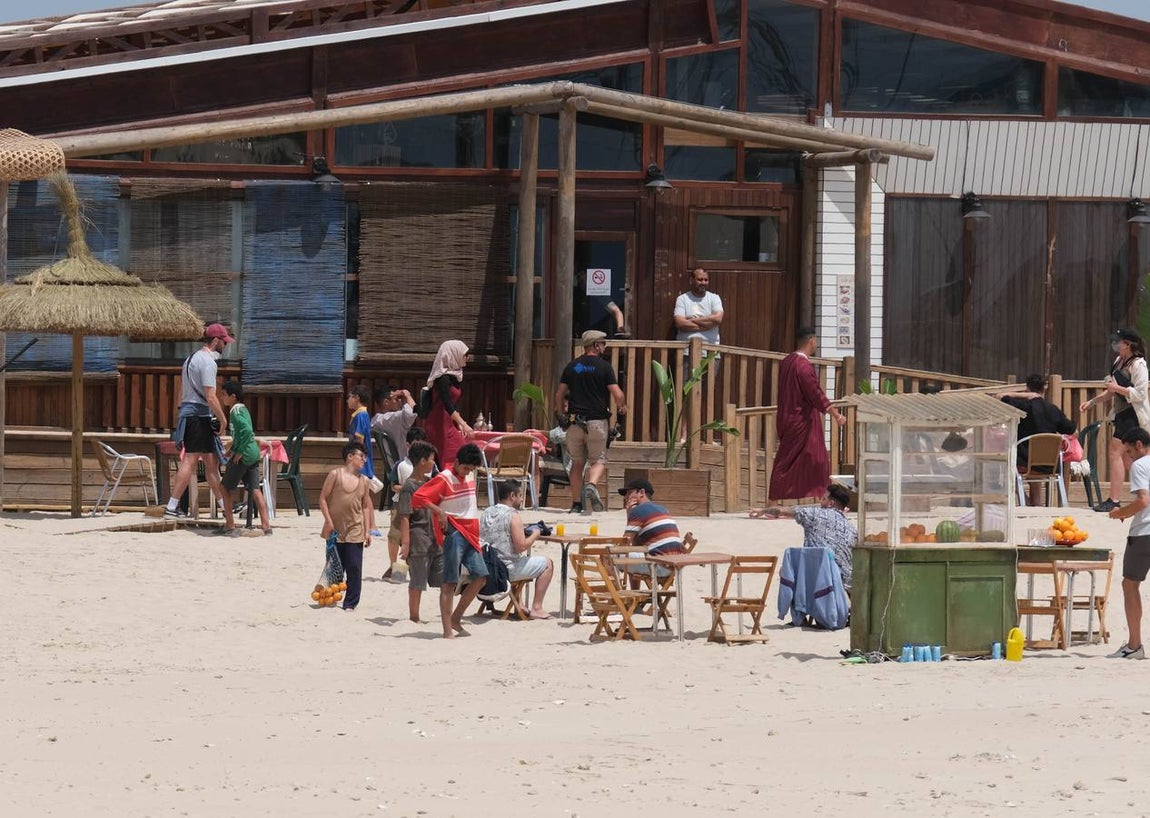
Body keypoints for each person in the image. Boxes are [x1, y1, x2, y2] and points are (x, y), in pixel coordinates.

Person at [412, 442, 487, 638]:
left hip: (471, 534)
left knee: (480, 576)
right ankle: (447, 631)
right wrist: (439, 512)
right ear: (456, 462)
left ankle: (456, 618)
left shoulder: (470, 473)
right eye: (464, 468)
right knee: (449, 582)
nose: (467, 472)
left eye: (470, 469)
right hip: (454, 533)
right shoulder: (444, 478)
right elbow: (419, 497)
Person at [768, 327, 847, 501]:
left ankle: (787, 498)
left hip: (787, 417)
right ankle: (813, 497)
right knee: (816, 460)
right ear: (811, 340)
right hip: (801, 419)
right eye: (816, 341)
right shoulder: (802, 365)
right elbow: (815, 393)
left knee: (790, 459)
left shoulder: (787, 361)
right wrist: (836, 415)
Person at [164, 323, 233, 519]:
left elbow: (181, 391)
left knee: (211, 464)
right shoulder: (208, 362)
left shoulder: (190, 359)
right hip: (198, 416)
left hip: (189, 414)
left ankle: (224, 505)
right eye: (224, 342)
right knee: (191, 460)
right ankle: (172, 506)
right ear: (217, 341)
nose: (225, 346)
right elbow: (211, 396)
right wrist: (223, 420)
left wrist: (180, 415)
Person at [554, 330, 627, 514]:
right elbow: (617, 394)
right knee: (599, 460)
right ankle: (592, 485)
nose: (604, 346)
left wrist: (561, 413)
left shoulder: (574, 366)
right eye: (602, 343)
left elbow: (559, 394)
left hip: (574, 422)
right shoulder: (604, 367)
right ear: (595, 345)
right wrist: (622, 407)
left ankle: (576, 504)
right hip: (596, 421)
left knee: (577, 463)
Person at [1081, 329, 1150, 512]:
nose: (1116, 344)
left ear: (1127, 344)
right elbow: (1112, 390)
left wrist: (1117, 388)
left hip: (1132, 414)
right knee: (1130, 459)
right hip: (1120, 413)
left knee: (1115, 452)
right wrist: (1093, 401)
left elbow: (1140, 394)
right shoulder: (1118, 362)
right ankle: (1143, 495)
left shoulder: (1138, 364)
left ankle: (1114, 499)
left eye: (1119, 341)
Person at [750, 484, 857, 589]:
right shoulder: (851, 529)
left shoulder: (815, 514)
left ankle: (800, 605)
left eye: (823, 499)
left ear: (831, 503)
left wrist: (762, 511)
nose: (820, 502)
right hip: (846, 582)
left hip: (821, 579)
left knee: (786, 570)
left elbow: (781, 511)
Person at [480, 479, 554, 619]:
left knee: (515, 558)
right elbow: (521, 546)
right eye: (520, 496)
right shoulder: (513, 515)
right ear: (512, 496)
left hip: (487, 566)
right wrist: (535, 535)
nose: (521, 500)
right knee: (548, 564)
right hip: (506, 570)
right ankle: (537, 608)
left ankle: (519, 604)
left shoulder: (486, 512)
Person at [1000, 374, 1076, 505]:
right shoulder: (1053, 410)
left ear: (1027, 389)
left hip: (1024, 463)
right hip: (1049, 465)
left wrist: (1027, 396)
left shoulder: (1022, 406)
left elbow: (1000, 396)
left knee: (1004, 471)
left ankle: (1027, 502)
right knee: (1036, 471)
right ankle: (1035, 504)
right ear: (1044, 389)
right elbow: (1071, 430)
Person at [1107, 427, 1150, 659]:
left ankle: (1134, 645)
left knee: (1129, 585)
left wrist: (1121, 512)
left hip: (1144, 533)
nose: (1129, 456)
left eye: (1130, 451)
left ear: (1140, 445)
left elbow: (1143, 500)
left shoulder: (1140, 466)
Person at [318, 442, 375, 612]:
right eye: (361, 456)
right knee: (334, 566)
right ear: (350, 456)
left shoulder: (364, 481)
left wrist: (367, 530)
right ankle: (330, 596)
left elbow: (365, 506)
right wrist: (328, 521)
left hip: (355, 528)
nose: (364, 460)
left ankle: (350, 603)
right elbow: (322, 499)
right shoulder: (335, 474)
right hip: (334, 529)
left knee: (354, 567)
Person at [218, 381, 272, 536]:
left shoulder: (234, 411)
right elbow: (241, 435)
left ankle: (229, 524)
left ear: (233, 397)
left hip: (244, 455)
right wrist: (232, 450)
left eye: (223, 395)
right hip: (253, 453)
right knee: (255, 489)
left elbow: (247, 432)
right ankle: (266, 526)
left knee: (224, 488)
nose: (222, 398)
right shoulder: (244, 409)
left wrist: (239, 451)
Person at [397, 441, 440, 623]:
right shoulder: (409, 487)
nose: (433, 463)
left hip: (434, 537)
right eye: (431, 459)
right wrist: (405, 544)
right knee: (417, 581)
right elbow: (405, 516)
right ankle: (414, 617)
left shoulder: (430, 482)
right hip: (418, 538)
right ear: (422, 461)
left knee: (443, 578)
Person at [383, 426, 431, 581]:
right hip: (400, 505)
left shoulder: (430, 466)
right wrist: (406, 488)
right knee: (395, 535)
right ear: (408, 446)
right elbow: (393, 485)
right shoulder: (401, 465)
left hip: (422, 506)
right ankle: (393, 566)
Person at [425, 340, 474, 468]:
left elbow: (454, 405)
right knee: (452, 457)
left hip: (449, 423)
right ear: (454, 354)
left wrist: (459, 424)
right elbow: (447, 403)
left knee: (460, 453)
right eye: (465, 355)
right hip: (439, 424)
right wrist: (464, 423)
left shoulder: (455, 376)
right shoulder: (443, 378)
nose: (467, 358)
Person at [674, 267, 724, 379]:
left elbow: (718, 319)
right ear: (691, 280)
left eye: (706, 280)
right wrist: (707, 323)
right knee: (685, 389)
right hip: (686, 352)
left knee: (707, 391)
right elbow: (680, 323)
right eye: (700, 279)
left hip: (710, 352)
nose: (703, 283)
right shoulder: (682, 299)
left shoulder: (714, 298)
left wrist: (692, 319)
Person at [620, 478, 684, 558]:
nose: (626, 497)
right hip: (675, 563)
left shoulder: (638, 510)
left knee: (607, 555)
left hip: (657, 563)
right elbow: (636, 544)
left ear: (641, 492)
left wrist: (630, 513)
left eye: (629, 493)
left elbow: (625, 542)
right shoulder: (662, 509)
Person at [372, 384, 417, 461]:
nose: (400, 401)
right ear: (386, 402)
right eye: (397, 398)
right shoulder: (393, 419)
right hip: (403, 464)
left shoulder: (376, 419)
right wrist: (407, 395)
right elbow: (411, 413)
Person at [346, 384, 375, 480]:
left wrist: (356, 459)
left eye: (349, 397)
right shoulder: (361, 414)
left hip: (359, 461)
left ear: (357, 397)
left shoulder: (361, 415)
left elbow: (359, 439)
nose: (347, 400)